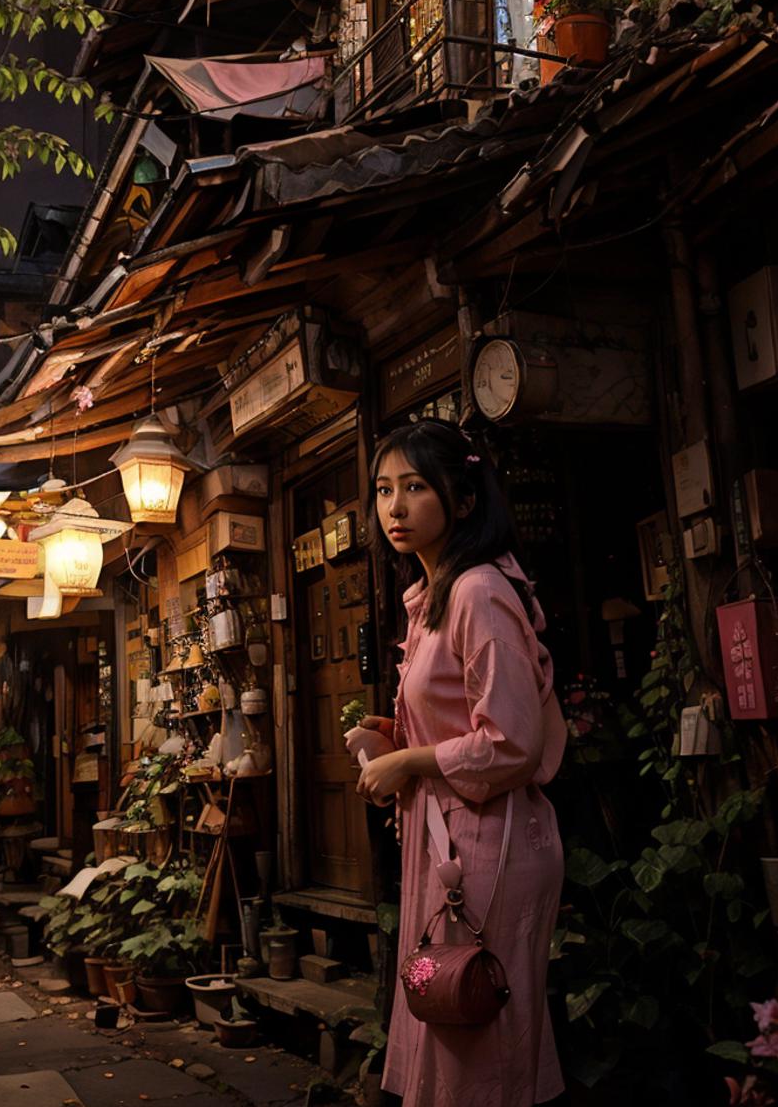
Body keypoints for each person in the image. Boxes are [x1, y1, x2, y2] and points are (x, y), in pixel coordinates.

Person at [344, 419, 566, 1107]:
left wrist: (408, 759)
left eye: (415, 487)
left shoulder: (476, 591)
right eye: (383, 490)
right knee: (453, 1019)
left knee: (472, 1025)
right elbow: (462, 720)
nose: (394, 508)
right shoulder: (434, 594)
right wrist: (396, 734)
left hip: (485, 843)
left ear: (463, 499)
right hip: (452, 842)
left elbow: (509, 741)